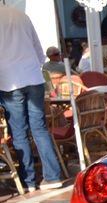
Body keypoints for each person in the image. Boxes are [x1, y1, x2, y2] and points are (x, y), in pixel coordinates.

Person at [0, 5, 63, 191]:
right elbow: (38, 48)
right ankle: (52, 177)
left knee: (19, 133)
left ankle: (28, 181)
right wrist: (33, 67)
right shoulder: (21, 14)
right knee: (39, 129)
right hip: (33, 77)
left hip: (9, 80)